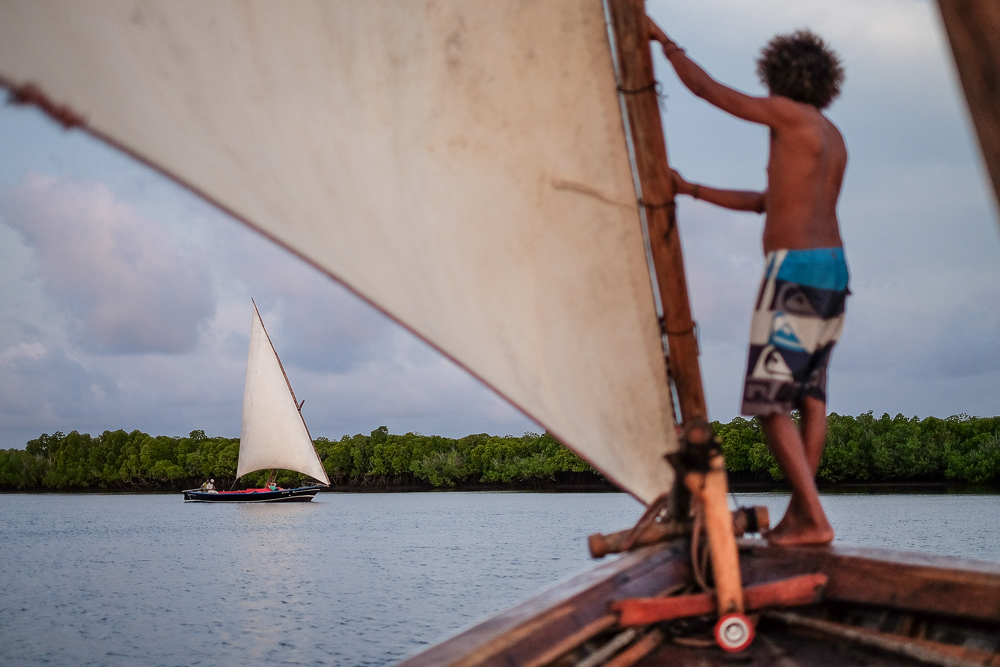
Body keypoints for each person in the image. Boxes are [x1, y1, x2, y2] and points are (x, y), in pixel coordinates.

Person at [648, 19, 849, 546]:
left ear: (778, 75)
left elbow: (708, 90)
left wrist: (664, 42)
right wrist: (690, 189)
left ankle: (813, 519)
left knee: (768, 402)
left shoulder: (786, 115)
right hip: (832, 270)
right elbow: (768, 202)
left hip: (796, 271)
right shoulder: (832, 138)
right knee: (809, 398)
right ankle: (803, 518)